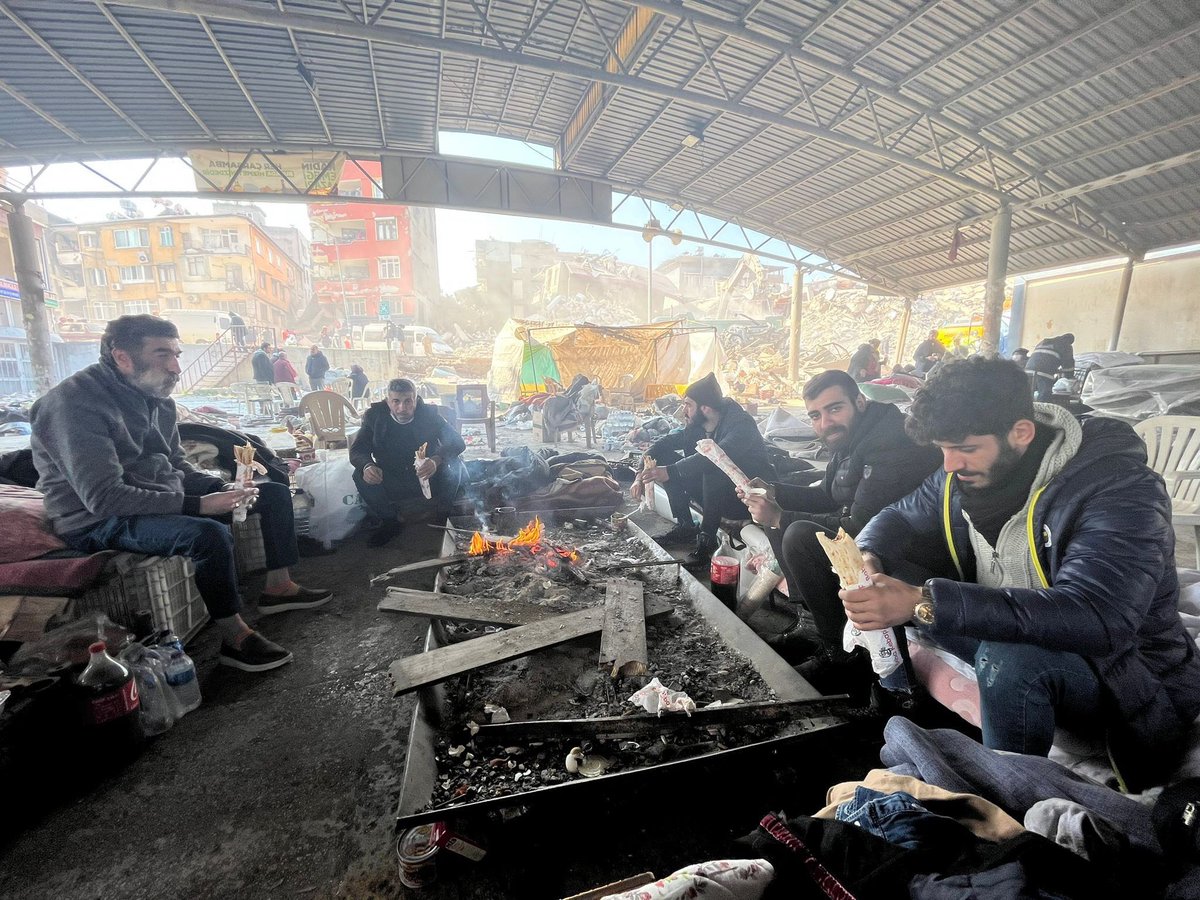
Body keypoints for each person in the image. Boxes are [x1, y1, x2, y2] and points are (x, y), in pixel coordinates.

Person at [837, 357, 1200, 790]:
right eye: (943, 449)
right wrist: (869, 554)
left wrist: (924, 601)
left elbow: (1099, 617)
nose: (950, 465)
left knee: (1009, 658)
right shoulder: (964, 471)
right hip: (1013, 627)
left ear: (1021, 433)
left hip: (1122, 676)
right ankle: (900, 699)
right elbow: (900, 514)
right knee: (888, 571)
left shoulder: (1119, 489)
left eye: (965, 449)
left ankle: (1007, 798)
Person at [30, 315, 332, 673]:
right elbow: (104, 497)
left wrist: (220, 488)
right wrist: (199, 504)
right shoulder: (74, 405)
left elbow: (174, 464)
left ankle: (278, 587)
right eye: (162, 355)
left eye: (177, 354)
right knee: (208, 534)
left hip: (156, 494)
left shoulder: (156, 397)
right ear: (122, 356)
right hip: (98, 518)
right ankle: (234, 638)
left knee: (272, 493)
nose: (176, 367)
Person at [738, 370, 940, 661]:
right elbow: (828, 495)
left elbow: (860, 527)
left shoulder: (891, 442)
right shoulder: (851, 437)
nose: (825, 422)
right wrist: (773, 491)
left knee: (795, 533)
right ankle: (810, 623)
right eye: (815, 415)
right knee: (772, 513)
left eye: (834, 409)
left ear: (859, 401)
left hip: (911, 557)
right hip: (876, 542)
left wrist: (781, 517)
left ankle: (838, 655)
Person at [633, 372, 774, 566]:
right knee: (665, 458)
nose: (684, 410)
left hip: (746, 501)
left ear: (705, 408)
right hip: (713, 495)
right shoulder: (700, 424)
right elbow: (663, 444)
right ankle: (686, 526)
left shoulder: (741, 424)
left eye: (688, 405)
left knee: (711, 464)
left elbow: (719, 456)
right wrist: (640, 474)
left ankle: (707, 541)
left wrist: (671, 471)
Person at [350, 378, 467, 547]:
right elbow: (357, 450)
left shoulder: (429, 414)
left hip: (429, 475)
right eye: (396, 402)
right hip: (392, 476)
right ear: (388, 401)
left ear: (416, 400)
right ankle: (390, 521)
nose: (402, 408)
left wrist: (436, 460)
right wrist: (368, 465)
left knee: (454, 464)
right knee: (359, 474)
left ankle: (443, 515)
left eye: (408, 401)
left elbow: (457, 442)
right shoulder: (374, 416)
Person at [1025, 333, 1075, 401]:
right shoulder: (1066, 344)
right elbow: (1068, 363)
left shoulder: (1045, 341)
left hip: (1028, 369)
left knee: (1027, 394)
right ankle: (1041, 411)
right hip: (1044, 372)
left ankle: (1026, 410)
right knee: (1044, 395)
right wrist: (1069, 375)